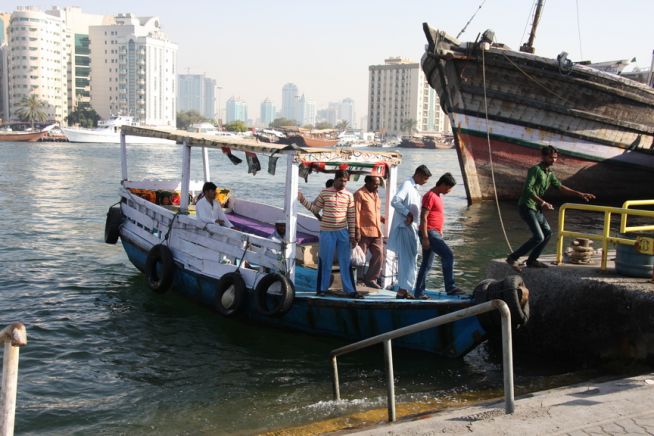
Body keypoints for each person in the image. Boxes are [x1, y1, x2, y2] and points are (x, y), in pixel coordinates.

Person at [506, 145, 595, 271]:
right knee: (538, 237)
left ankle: (532, 261)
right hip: (527, 206)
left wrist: (580, 194)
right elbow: (527, 189)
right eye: (551, 157)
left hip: (536, 209)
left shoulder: (550, 174)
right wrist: (543, 203)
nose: (553, 160)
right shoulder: (535, 170)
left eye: (555, 158)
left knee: (547, 233)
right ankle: (512, 258)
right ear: (543, 157)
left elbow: (561, 187)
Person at [298, 170, 360, 298]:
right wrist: (302, 200)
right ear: (335, 179)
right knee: (325, 261)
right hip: (327, 232)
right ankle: (322, 289)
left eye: (345, 181)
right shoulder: (325, 193)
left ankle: (350, 290)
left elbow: (351, 217)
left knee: (345, 261)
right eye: (341, 180)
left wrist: (352, 236)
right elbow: (315, 209)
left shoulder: (349, 196)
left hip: (343, 232)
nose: (343, 183)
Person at [414, 173, 463, 298]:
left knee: (426, 264)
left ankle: (419, 292)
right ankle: (450, 287)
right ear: (442, 184)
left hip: (434, 233)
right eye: (448, 188)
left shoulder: (437, 196)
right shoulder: (430, 196)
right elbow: (423, 217)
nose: (449, 191)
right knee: (448, 255)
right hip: (429, 233)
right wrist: (425, 238)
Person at [387, 165, 432, 299]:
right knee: (407, 259)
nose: (425, 182)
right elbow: (395, 201)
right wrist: (407, 213)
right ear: (417, 174)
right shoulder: (407, 184)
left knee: (412, 259)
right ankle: (402, 290)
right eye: (424, 178)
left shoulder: (414, 188)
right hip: (405, 227)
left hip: (412, 228)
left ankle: (406, 289)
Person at [354, 175, 385, 289]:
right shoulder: (359, 194)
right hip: (363, 231)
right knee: (361, 257)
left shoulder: (376, 194)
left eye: (378, 184)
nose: (377, 186)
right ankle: (359, 279)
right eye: (375, 183)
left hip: (376, 231)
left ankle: (371, 278)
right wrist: (357, 230)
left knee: (379, 254)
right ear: (367, 182)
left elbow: (373, 211)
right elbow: (356, 213)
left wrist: (381, 218)